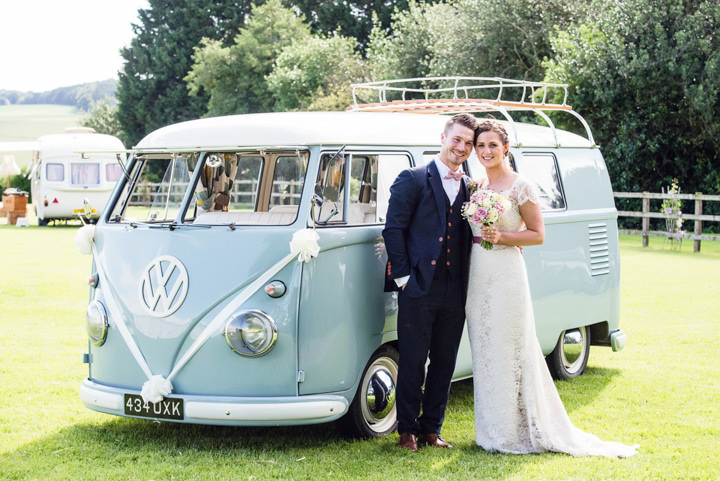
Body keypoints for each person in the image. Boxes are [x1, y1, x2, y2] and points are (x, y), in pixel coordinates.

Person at [466, 118, 638, 458]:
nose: (485, 151)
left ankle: (514, 431)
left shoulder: (521, 186)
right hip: (478, 273)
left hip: (505, 271)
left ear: (505, 148)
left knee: (509, 348)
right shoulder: (477, 186)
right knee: (485, 348)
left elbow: (537, 234)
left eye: (492, 145)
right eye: (480, 145)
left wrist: (502, 237)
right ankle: (491, 431)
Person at [383, 113, 476, 452]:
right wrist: (404, 277)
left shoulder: (471, 186)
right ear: (443, 137)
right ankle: (406, 429)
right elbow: (393, 229)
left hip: (456, 288)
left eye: (468, 143)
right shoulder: (413, 178)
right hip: (418, 286)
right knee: (412, 360)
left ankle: (431, 429)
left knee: (445, 361)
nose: (462, 147)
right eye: (457, 140)